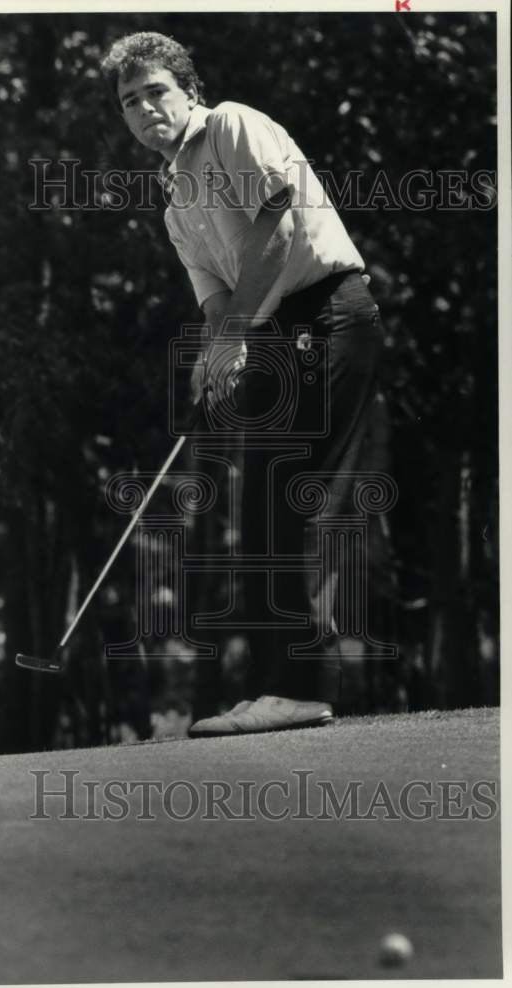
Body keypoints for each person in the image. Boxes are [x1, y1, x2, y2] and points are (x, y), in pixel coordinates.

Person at [100, 32, 385, 735]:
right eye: (130, 100)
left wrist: (232, 337)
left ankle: (301, 685)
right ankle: (279, 687)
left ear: (189, 91)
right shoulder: (174, 203)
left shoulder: (231, 125)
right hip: (272, 331)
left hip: (325, 312)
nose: (144, 107)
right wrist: (213, 354)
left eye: (156, 90)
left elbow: (277, 224)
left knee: (291, 497)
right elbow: (217, 299)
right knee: (258, 509)